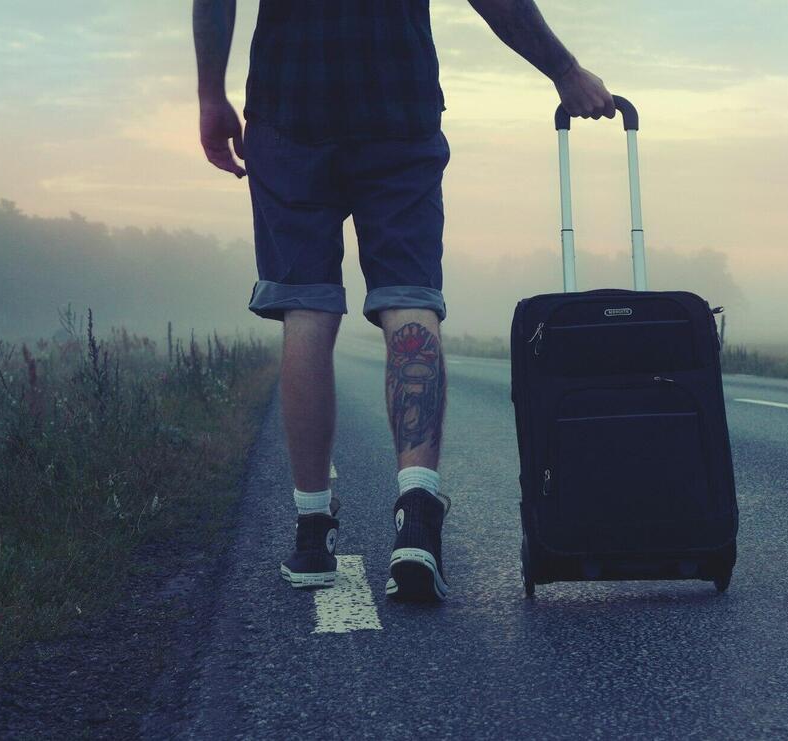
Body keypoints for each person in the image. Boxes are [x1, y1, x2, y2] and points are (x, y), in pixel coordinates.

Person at [193, 0, 613, 602]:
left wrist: (211, 95)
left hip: (288, 105)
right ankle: (417, 515)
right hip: (397, 101)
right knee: (409, 299)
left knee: (306, 309)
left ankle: (312, 532)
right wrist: (564, 70)